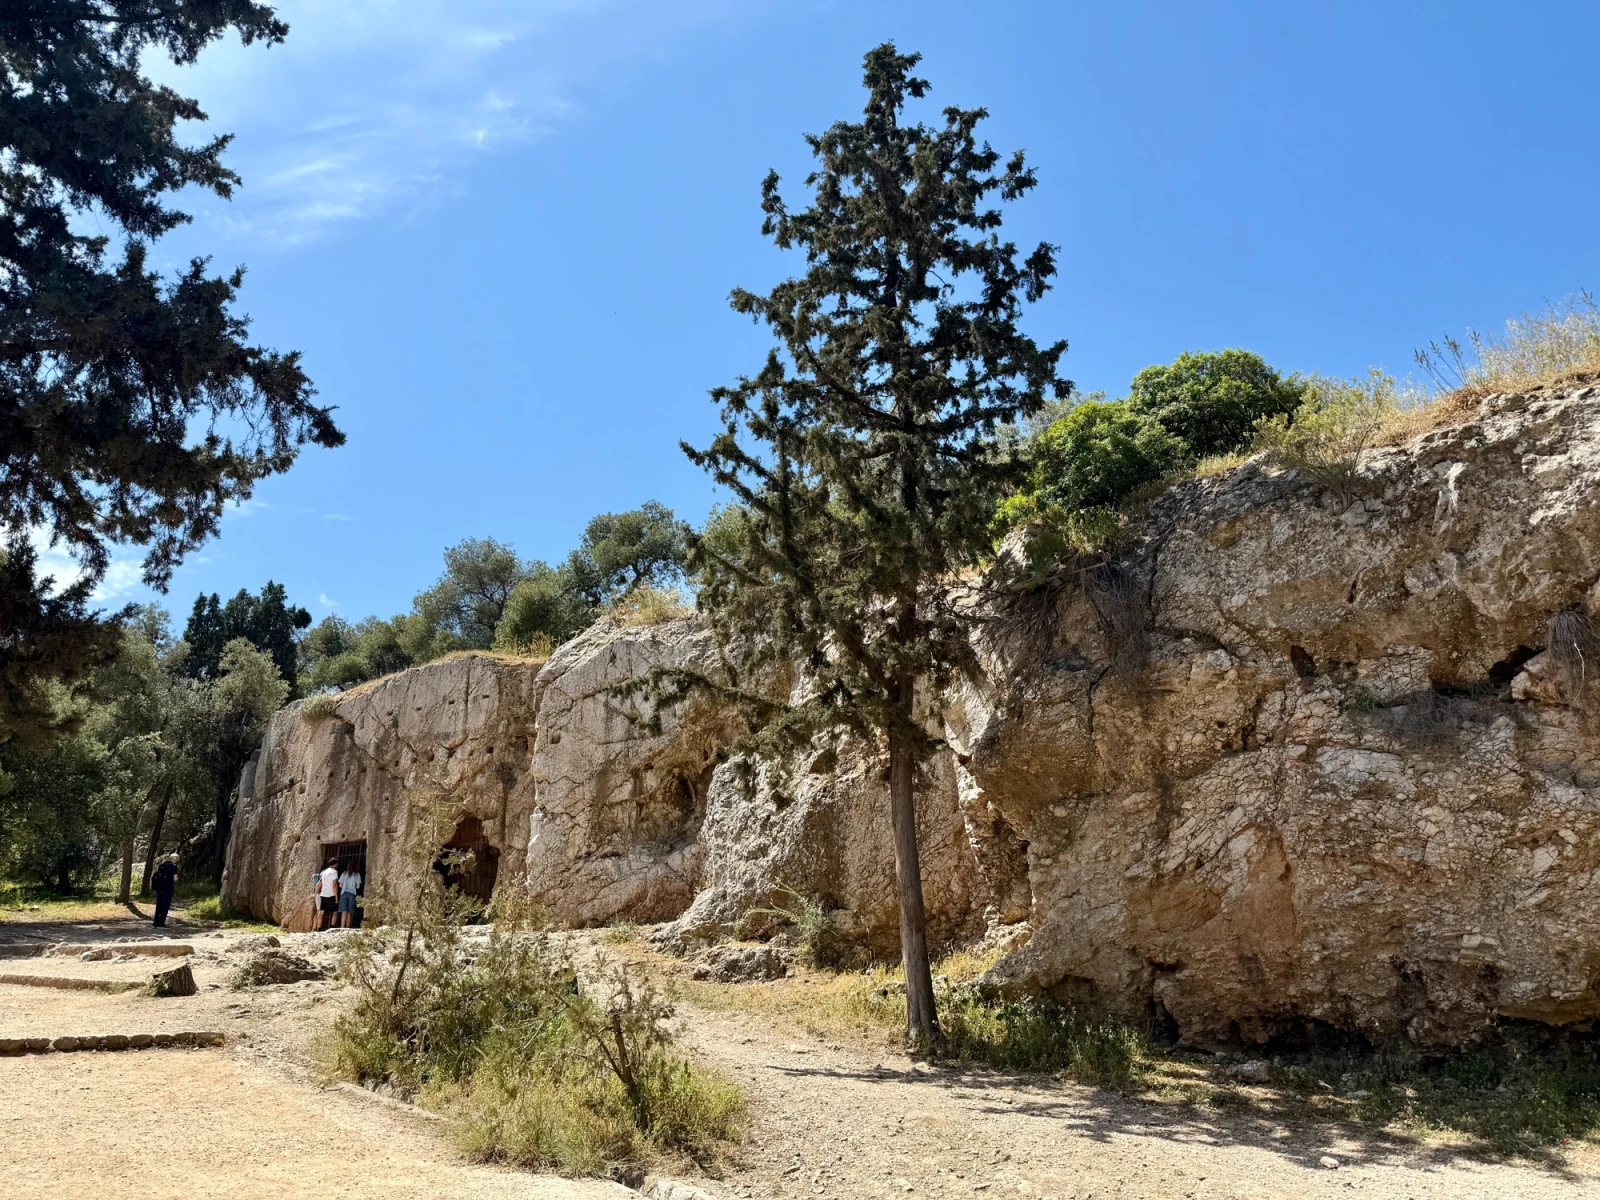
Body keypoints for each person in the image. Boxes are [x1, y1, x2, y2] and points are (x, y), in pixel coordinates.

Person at [151, 854, 179, 928]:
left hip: (160, 888)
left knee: (159, 905)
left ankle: (156, 922)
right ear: (175, 859)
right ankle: (161, 923)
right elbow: (175, 878)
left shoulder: (162, 865)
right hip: (168, 888)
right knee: (165, 905)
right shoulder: (173, 867)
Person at [315, 859, 340, 931]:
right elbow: (334, 885)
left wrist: (315, 893)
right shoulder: (334, 872)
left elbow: (320, 883)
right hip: (331, 894)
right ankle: (332, 927)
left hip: (323, 894)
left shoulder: (324, 872)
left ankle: (319, 927)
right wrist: (336, 897)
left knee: (321, 911)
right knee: (335, 912)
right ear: (335, 864)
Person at [336, 861, 362, 928]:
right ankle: (348, 927)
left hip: (344, 893)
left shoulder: (344, 873)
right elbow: (358, 887)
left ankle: (342, 927)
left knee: (344, 911)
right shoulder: (357, 874)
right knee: (350, 911)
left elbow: (340, 885)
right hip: (352, 894)